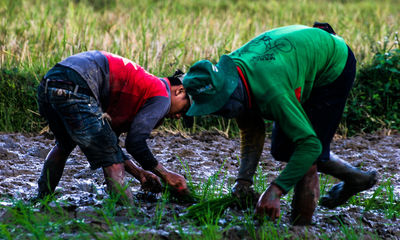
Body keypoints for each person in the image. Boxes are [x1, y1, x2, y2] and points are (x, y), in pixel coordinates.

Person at [182, 24, 378, 225]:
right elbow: (252, 128)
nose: (220, 114)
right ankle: (356, 178)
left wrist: (276, 190)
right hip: (294, 60)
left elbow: (309, 146)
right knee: (282, 149)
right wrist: (243, 181)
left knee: (305, 156)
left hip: (332, 65)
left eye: (219, 107)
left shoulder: (271, 92)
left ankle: (301, 232)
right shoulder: (231, 77)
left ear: (228, 94)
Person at [36, 50, 190, 204]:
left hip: (50, 82)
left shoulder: (141, 88)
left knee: (64, 145)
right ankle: (127, 216)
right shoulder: (162, 95)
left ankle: (41, 201)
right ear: (179, 91)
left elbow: (110, 144)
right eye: (183, 109)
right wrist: (165, 174)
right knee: (113, 164)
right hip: (79, 84)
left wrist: (139, 173)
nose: (178, 117)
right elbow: (135, 143)